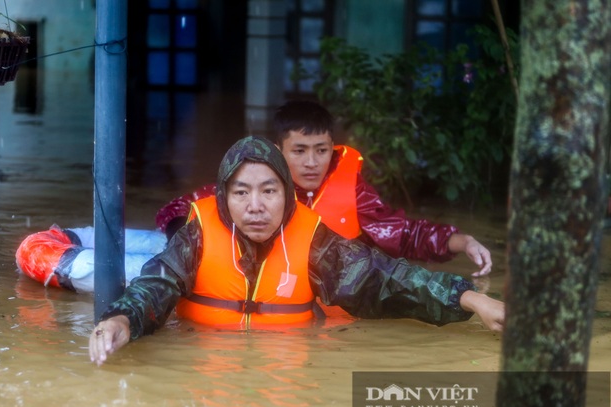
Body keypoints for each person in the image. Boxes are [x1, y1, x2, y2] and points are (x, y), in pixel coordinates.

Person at [89, 136, 504, 365]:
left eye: (269, 191)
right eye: (242, 192)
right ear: (224, 199)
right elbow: (155, 283)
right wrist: (122, 320)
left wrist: (469, 298)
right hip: (201, 364)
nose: (255, 206)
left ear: (287, 197)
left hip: (288, 376)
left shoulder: (313, 242)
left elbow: (387, 279)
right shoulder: (197, 235)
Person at [156, 100, 493, 277]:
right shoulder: (252, 182)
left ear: (333, 147)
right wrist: (182, 241)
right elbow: (178, 208)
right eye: (300, 151)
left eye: (321, 150)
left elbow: (403, 234)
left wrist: (462, 241)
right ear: (278, 150)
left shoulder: (353, 191)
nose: (312, 162)